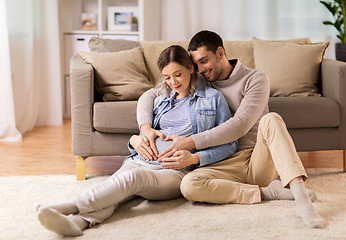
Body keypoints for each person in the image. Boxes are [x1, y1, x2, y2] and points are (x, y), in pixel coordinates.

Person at [35, 45, 237, 237]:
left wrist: (193, 158)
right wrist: (135, 141)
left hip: (174, 172)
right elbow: (144, 133)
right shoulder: (161, 100)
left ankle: (69, 206)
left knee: (131, 180)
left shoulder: (213, 99)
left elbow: (229, 144)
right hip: (140, 160)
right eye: (167, 77)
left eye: (178, 74)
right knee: (115, 191)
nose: (173, 82)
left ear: (191, 68)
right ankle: (77, 223)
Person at [136, 30, 326, 229]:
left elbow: (240, 124)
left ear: (220, 53)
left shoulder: (255, 78)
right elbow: (148, 96)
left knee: (271, 119)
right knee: (189, 185)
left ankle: (302, 199)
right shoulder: (200, 79)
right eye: (196, 64)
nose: (200, 69)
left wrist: (191, 142)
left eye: (204, 61)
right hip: (222, 161)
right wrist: (145, 127)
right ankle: (266, 192)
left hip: (256, 159)